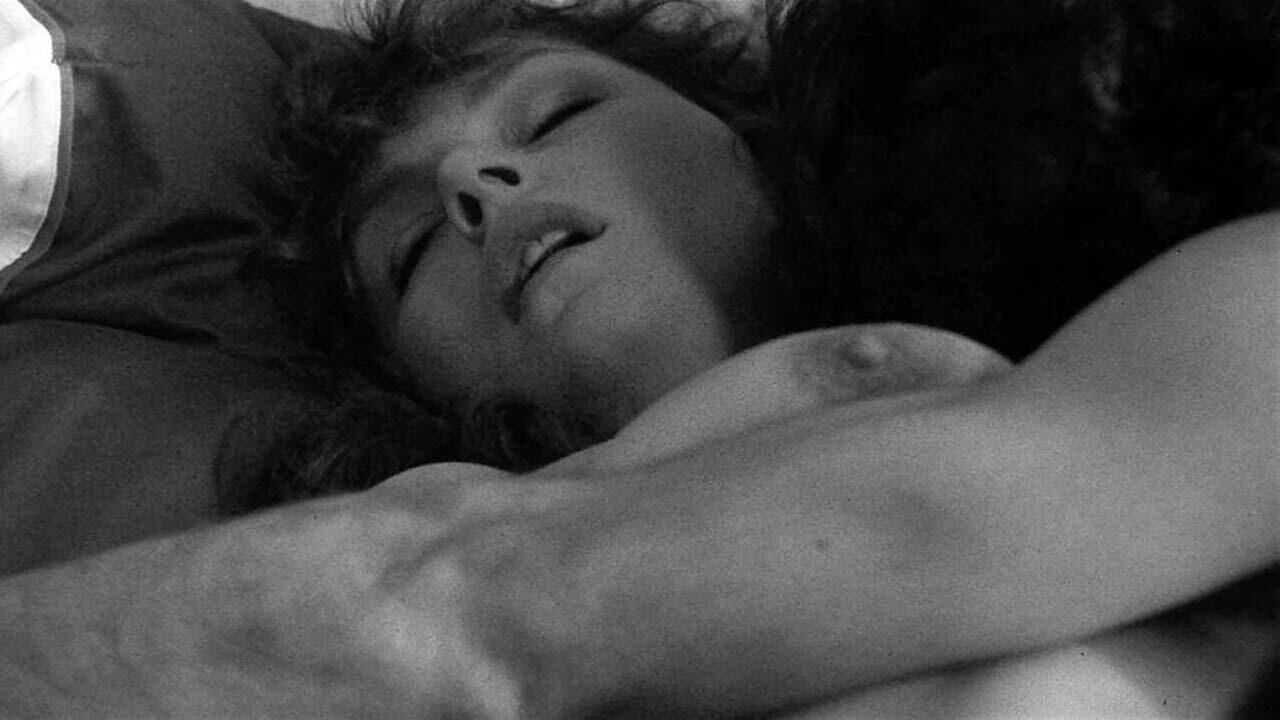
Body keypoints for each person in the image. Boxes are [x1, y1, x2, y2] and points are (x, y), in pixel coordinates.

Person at [1, 0, 1276, 717]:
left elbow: (462, 619)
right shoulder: (438, 512)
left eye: (559, 113)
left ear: (748, 124)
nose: (474, 182)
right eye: (408, 253)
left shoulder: (1185, 274)